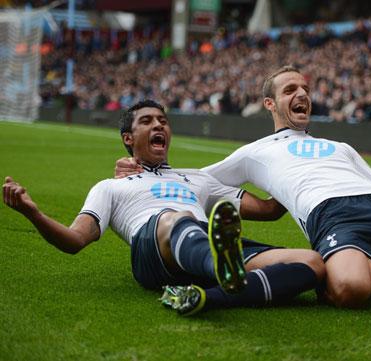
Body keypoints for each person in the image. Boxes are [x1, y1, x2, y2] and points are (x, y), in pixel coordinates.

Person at [118, 67, 371, 308]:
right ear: (271, 103)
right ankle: (347, 270)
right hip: (335, 217)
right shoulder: (255, 152)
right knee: (352, 292)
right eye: (289, 89)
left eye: (305, 88)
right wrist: (142, 168)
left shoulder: (342, 148)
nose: (301, 94)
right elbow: (197, 177)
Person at [3, 99, 324, 316]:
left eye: (162, 121)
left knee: (311, 263)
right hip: (152, 251)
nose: (158, 125)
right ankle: (222, 269)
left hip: (204, 243)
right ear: (129, 138)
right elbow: (75, 241)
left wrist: (292, 166)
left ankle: (205, 295)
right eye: (147, 121)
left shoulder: (199, 179)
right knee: (176, 218)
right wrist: (34, 213)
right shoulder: (111, 186)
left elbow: (269, 210)